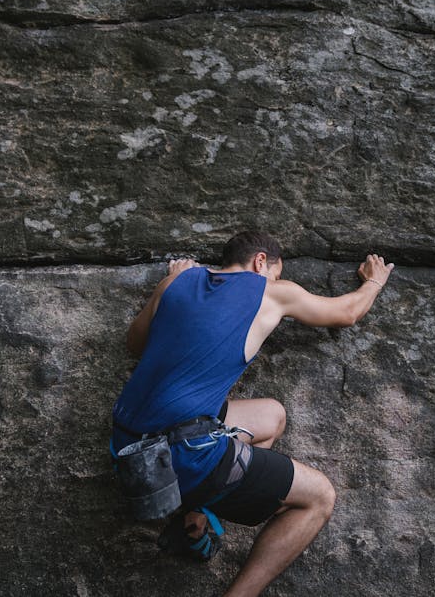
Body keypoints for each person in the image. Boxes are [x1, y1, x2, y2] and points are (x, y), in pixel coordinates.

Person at [111, 231, 394, 597]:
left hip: (129, 449)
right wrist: (374, 281)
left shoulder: (178, 280)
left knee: (271, 416)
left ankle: (191, 519)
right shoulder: (271, 292)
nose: (276, 282)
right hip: (183, 459)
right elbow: (347, 312)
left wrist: (172, 283)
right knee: (320, 496)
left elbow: (135, 343)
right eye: (275, 274)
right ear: (261, 262)